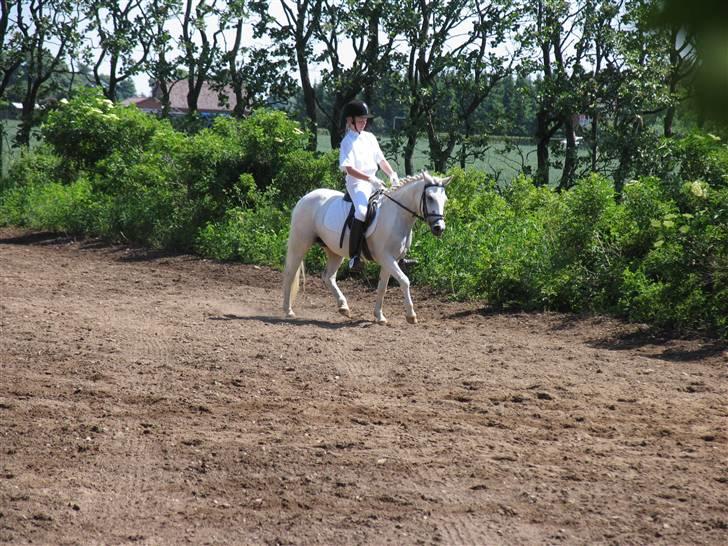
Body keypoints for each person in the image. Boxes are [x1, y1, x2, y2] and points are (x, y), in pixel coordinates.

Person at [339, 100, 399, 272]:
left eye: (365, 119)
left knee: (393, 205)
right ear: (350, 121)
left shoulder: (370, 138)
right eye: (360, 120)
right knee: (362, 212)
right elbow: (349, 169)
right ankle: (354, 256)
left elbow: (381, 160)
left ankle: (398, 254)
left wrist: (392, 174)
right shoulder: (347, 142)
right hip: (357, 183)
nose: (364, 122)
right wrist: (370, 179)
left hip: (374, 181)